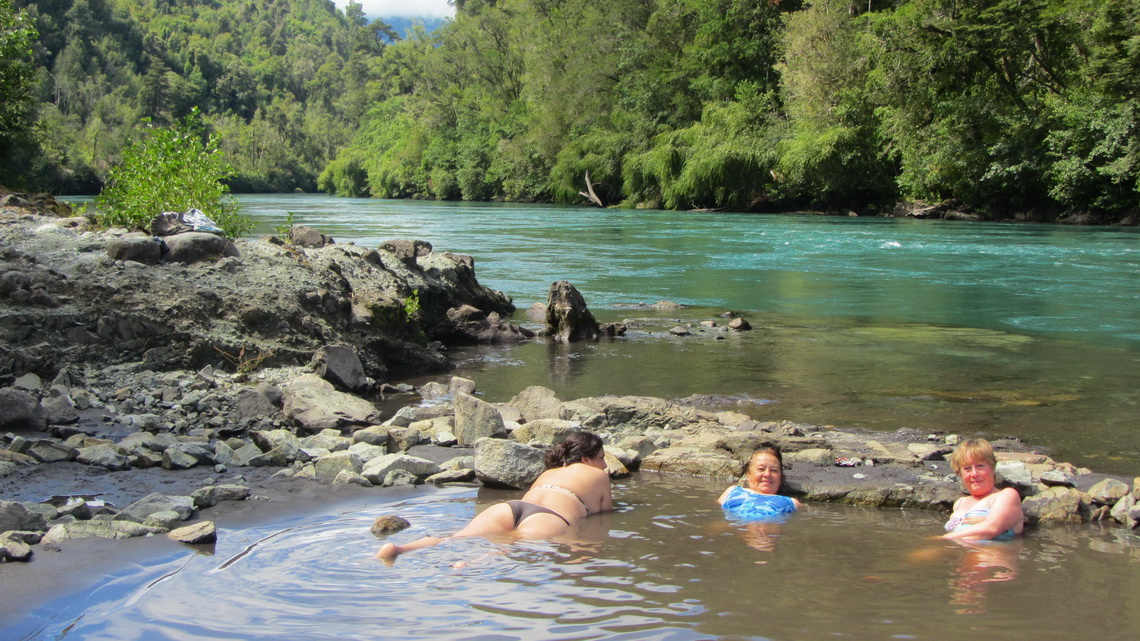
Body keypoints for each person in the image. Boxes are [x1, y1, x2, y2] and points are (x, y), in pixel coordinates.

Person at [377, 431, 613, 560]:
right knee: (509, 546)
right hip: (550, 517)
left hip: (510, 507)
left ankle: (398, 550)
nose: (603, 464)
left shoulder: (551, 473)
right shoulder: (599, 476)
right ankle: (468, 565)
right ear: (585, 459)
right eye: (601, 457)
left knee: (456, 537)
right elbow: (603, 517)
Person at [941, 438, 1024, 541]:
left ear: (993, 468)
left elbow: (992, 528)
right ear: (960, 474)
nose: (974, 474)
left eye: (980, 466)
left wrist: (944, 539)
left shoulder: (1007, 496)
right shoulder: (960, 504)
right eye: (967, 468)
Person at [717, 444, 802, 521]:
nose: (767, 474)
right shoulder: (732, 492)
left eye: (774, 470)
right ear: (748, 474)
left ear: (780, 477)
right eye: (761, 469)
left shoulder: (792, 503)